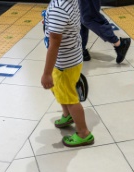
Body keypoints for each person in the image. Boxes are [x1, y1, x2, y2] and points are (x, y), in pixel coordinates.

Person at [41, 0, 94, 147]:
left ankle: (84, 133)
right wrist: (48, 20)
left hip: (64, 62)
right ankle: (68, 115)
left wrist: (46, 73)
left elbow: (55, 42)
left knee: (70, 98)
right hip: (72, 56)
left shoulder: (60, 8)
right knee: (59, 89)